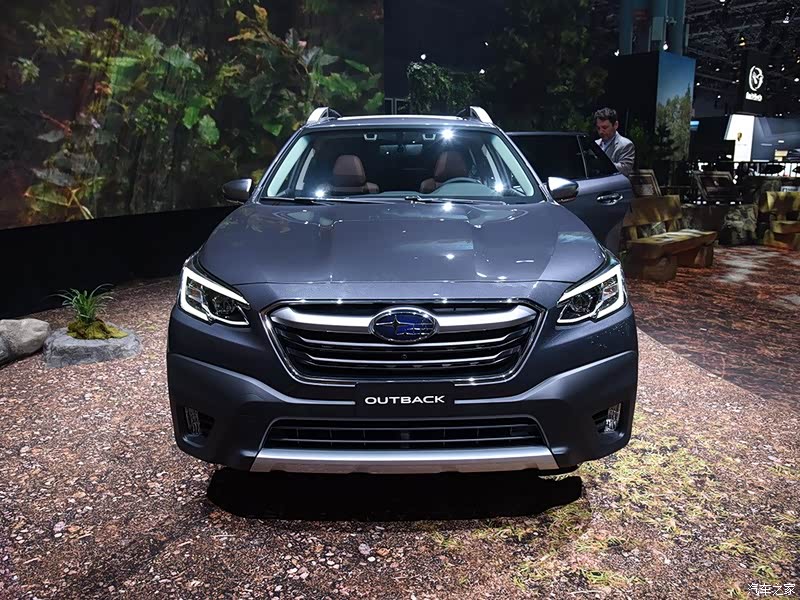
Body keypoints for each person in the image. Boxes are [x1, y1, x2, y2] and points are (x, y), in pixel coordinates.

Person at [594, 108, 635, 177]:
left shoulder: (626, 145)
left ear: (615, 125)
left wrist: (598, 165)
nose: (601, 131)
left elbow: (625, 170)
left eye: (605, 127)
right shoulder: (595, 144)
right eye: (598, 128)